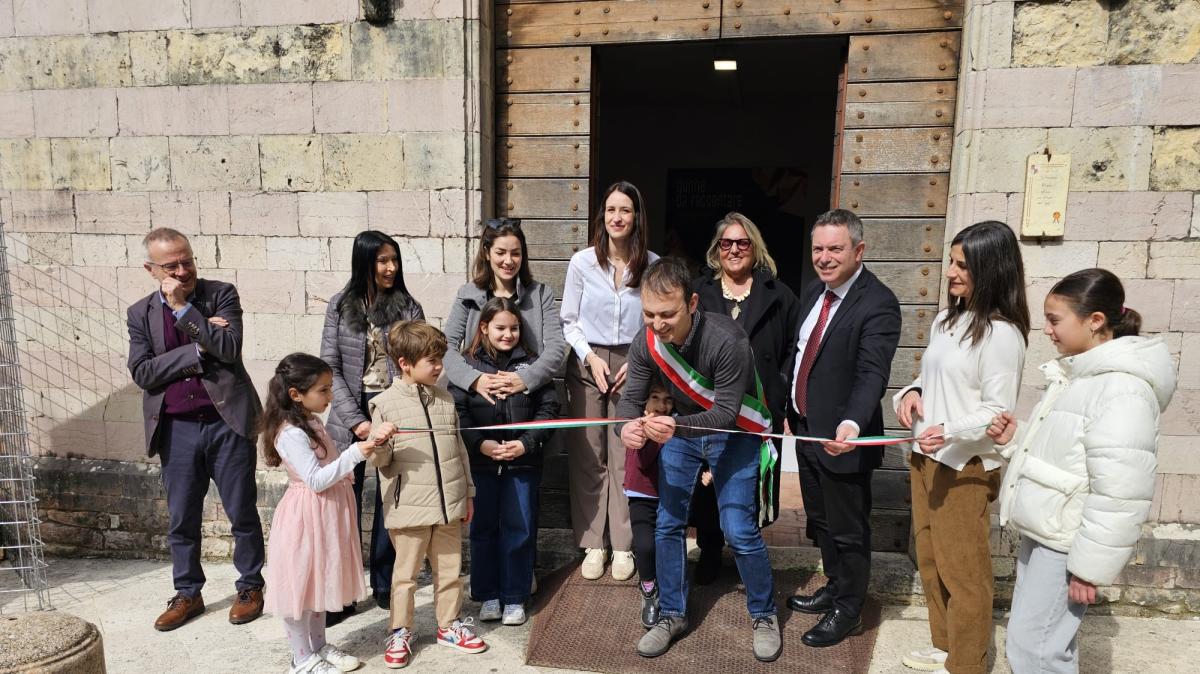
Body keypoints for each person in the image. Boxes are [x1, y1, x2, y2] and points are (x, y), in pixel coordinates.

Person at [987, 269, 1176, 674]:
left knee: (1034, 650)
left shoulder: (1122, 390)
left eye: (1055, 320)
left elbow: (1121, 492)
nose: (1048, 331)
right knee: (1042, 645)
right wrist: (1015, 439)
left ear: (1095, 321)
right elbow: (1065, 456)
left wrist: (1088, 569)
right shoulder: (1079, 376)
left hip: (1065, 543)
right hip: (1047, 530)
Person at [618, 257, 782, 662]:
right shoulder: (647, 340)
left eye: (667, 314)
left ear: (692, 303)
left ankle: (764, 614)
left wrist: (674, 426)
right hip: (683, 431)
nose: (657, 325)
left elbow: (726, 414)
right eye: (649, 314)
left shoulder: (728, 340)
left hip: (734, 434)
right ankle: (672, 614)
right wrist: (625, 428)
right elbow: (628, 400)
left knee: (739, 529)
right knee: (667, 523)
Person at [893, 221, 1030, 674]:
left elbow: (997, 412)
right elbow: (932, 378)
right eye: (951, 261)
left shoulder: (1002, 334)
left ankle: (968, 664)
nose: (950, 272)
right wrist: (910, 392)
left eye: (962, 265)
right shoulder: (947, 319)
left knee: (964, 572)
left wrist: (947, 430)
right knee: (931, 562)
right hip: (925, 457)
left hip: (964, 465)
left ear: (991, 270)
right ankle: (944, 645)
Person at [126, 227, 266, 632]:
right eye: (172, 265)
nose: (183, 269)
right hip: (177, 429)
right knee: (181, 518)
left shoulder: (220, 294)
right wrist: (197, 344)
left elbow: (228, 348)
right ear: (152, 269)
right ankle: (188, 592)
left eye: (188, 260)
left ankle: (250, 586)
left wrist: (187, 312)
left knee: (242, 512)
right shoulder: (140, 314)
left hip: (227, 423)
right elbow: (143, 373)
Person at [786, 208, 901, 648]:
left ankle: (849, 610)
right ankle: (834, 586)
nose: (825, 257)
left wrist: (851, 423)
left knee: (850, 529)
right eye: (818, 248)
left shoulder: (879, 302)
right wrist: (789, 407)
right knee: (821, 521)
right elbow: (800, 357)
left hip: (843, 441)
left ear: (859, 250)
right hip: (808, 433)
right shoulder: (816, 292)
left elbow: (872, 373)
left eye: (835, 248)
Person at [260, 353, 398, 674]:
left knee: (320, 584)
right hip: (306, 517)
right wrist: (355, 452)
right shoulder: (291, 433)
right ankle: (301, 657)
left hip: (325, 514)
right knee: (302, 586)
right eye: (323, 390)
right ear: (296, 394)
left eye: (330, 388)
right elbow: (316, 479)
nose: (330, 396)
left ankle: (318, 645)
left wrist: (367, 445)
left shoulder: (309, 422)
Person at [690, 211, 802, 584]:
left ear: (754, 248)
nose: (734, 250)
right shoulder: (699, 293)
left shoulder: (779, 295)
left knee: (750, 478)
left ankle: (745, 549)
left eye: (742, 243)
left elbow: (792, 350)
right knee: (709, 477)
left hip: (759, 405)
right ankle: (709, 550)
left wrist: (781, 393)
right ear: (716, 249)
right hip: (711, 401)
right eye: (726, 243)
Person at [369, 321, 488, 669]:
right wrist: (377, 442)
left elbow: (459, 450)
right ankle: (400, 630)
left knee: (450, 570)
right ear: (405, 363)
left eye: (440, 359)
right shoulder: (385, 404)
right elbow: (381, 461)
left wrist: (467, 493)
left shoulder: (446, 398)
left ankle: (448, 625)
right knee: (405, 575)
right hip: (408, 508)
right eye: (431, 361)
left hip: (449, 503)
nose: (439, 367)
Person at [320, 230, 425, 617]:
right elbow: (329, 366)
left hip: (393, 409)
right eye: (383, 260)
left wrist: (389, 415)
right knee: (344, 504)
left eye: (394, 260)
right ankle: (343, 593)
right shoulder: (339, 305)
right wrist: (356, 421)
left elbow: (419, 359)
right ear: (364, 261)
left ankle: (385, 583)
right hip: (348, 412)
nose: (391, 268)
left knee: (389, 500)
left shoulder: (407, 306)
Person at [560, 180, 659, 581]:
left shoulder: (651, 264)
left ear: (637, 218)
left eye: (626, 210)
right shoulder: (582, 262)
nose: (617, 217)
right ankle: (592, 543)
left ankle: (622, 545)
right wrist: (589, 358)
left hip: (632, 362)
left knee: (624, 453)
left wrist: (636, 360)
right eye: (611, 210)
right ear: (602, 216)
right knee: (589, 454)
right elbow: (568, 320)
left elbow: (654, 322)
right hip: (588, 360)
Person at [450, 297, 561, 628]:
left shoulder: (531, 366)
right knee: (483, 530)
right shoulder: (468, 368)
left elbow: (549, 409)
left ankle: (515, 597)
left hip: (522, 465)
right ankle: (488, 595)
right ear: (484, 328)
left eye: (514, 328)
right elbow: (459, 411)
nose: (508, 334)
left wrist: (525, 445)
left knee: (520, 530)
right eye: (500, 327)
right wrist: (479, 444)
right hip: (482, 466)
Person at [443, 218, 567, 407]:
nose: (508, 261)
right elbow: (447, 346)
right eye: (500, 252)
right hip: (479, 404)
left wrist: (524, 378)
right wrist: (475, 379)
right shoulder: (467, 294)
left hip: (527, 402)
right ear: (486, 253)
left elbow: (556, 348)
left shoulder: (541, 294)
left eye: (515, 254)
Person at [622, 376, 675, 629]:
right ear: (644, 402)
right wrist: (654, 434)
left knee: (666, 546)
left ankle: (670, 591)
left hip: (668, 496)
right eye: (655, 398)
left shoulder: (675, 426)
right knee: (645, 546)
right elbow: (643, 461)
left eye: (667, 400)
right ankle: (648, 591)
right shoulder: (637, 427)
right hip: (641, 495)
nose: (661, 406)